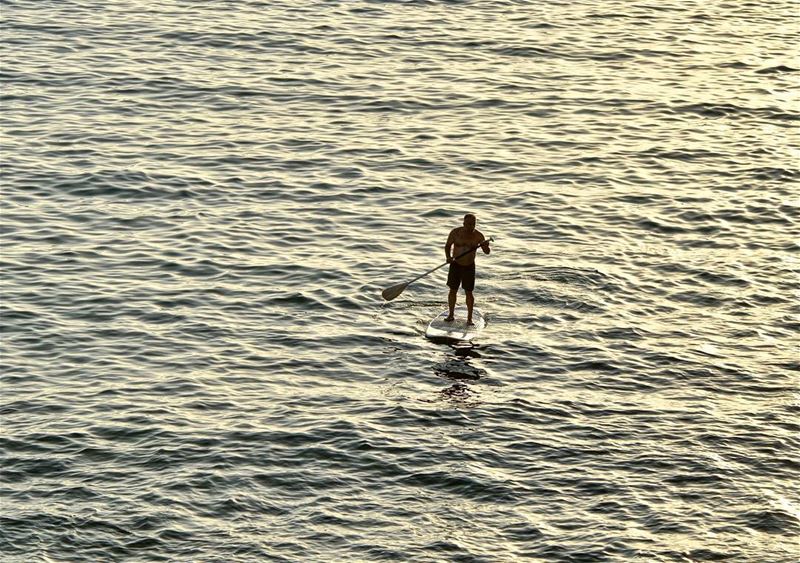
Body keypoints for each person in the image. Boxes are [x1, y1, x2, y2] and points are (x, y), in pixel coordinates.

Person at [445, 213, 490, 325]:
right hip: (455, 264)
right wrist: (448, 257)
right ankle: (451, 315)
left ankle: (469, 319)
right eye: (469, 224)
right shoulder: (455, 233)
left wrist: (485, 245)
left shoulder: (479, 236)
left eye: (473, 224)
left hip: (469, 266)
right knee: (452, 290)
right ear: (464, 223)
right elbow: (447, 245)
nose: (471, 226)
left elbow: (487, 252)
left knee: (469, 292)